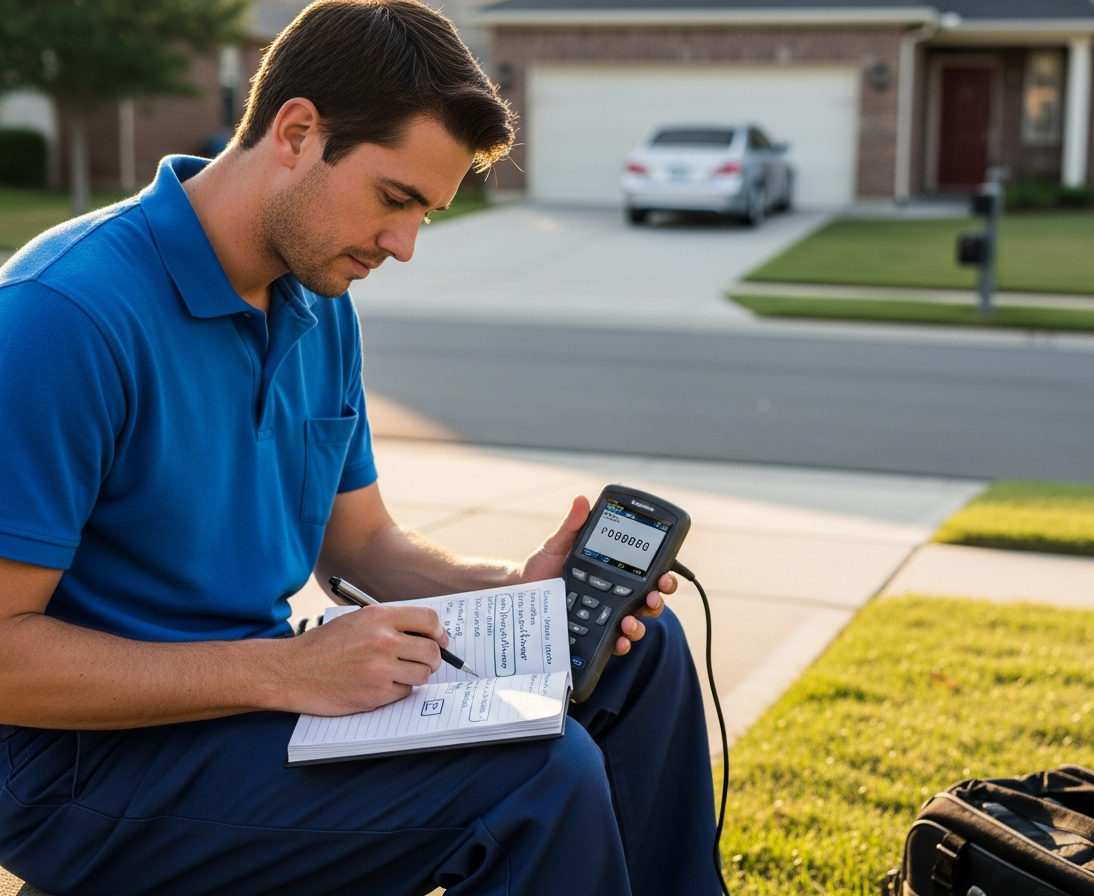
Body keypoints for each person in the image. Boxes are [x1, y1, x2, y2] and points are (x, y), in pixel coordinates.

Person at [0, 2, 720, 894]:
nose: (405, 246)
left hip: (256, 699)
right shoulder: (60, 316)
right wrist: (286, 669)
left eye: (429, 213)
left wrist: (515, 590)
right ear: (297, 132)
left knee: (638, 654)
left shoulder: (318, 303)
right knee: (540, 776)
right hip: (80, 768)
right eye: (395, 198)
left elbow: (362, 546)